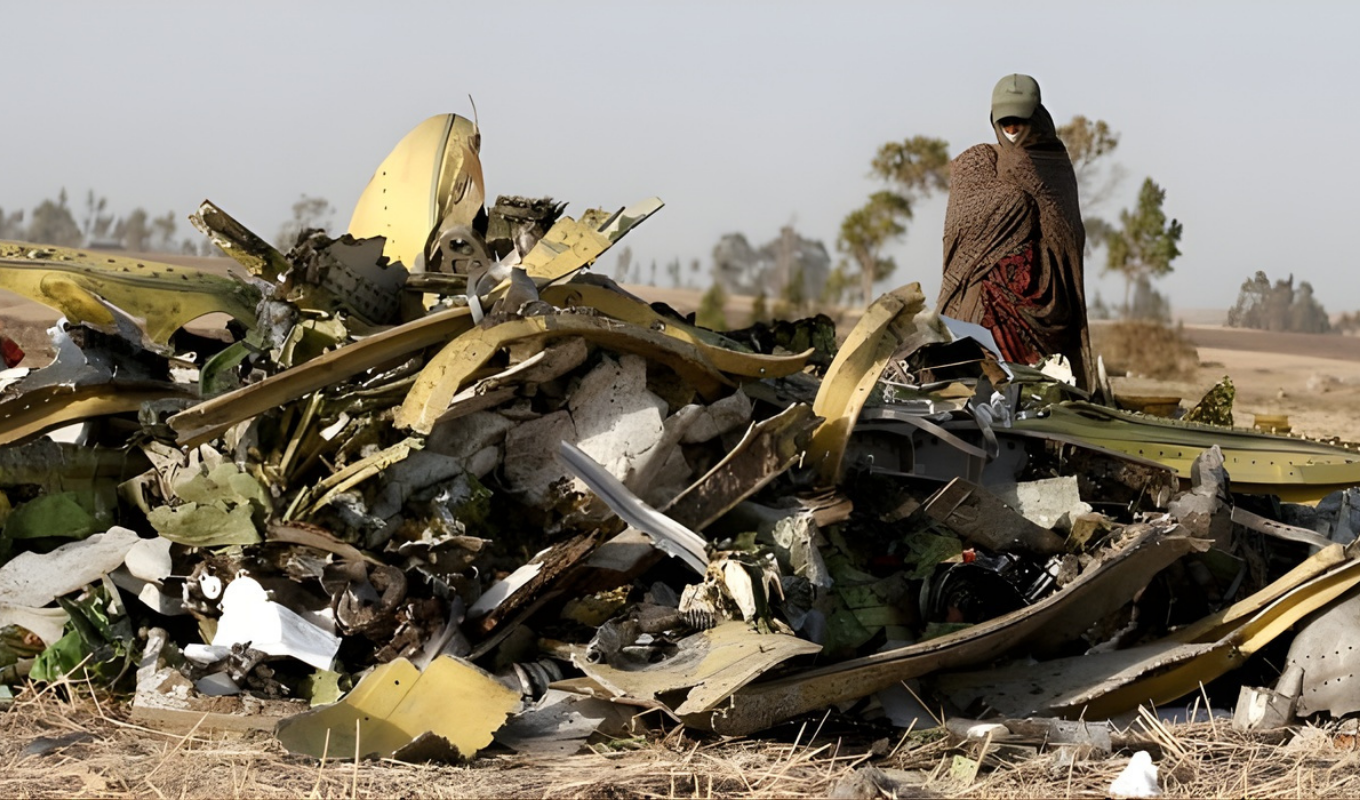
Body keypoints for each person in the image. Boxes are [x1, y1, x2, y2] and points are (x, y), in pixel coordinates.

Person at [937, 73, 1093, 391]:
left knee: (1041, 390)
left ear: (1035, 118)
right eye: (1005, 121)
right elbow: (961, 233)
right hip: (981, 301)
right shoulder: (977, 163)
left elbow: (1066, 238)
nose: (1011, 129)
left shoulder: (1054, 167)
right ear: (995, 121)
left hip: (1046, 304)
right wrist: (1013, 202)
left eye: (1019, 121)